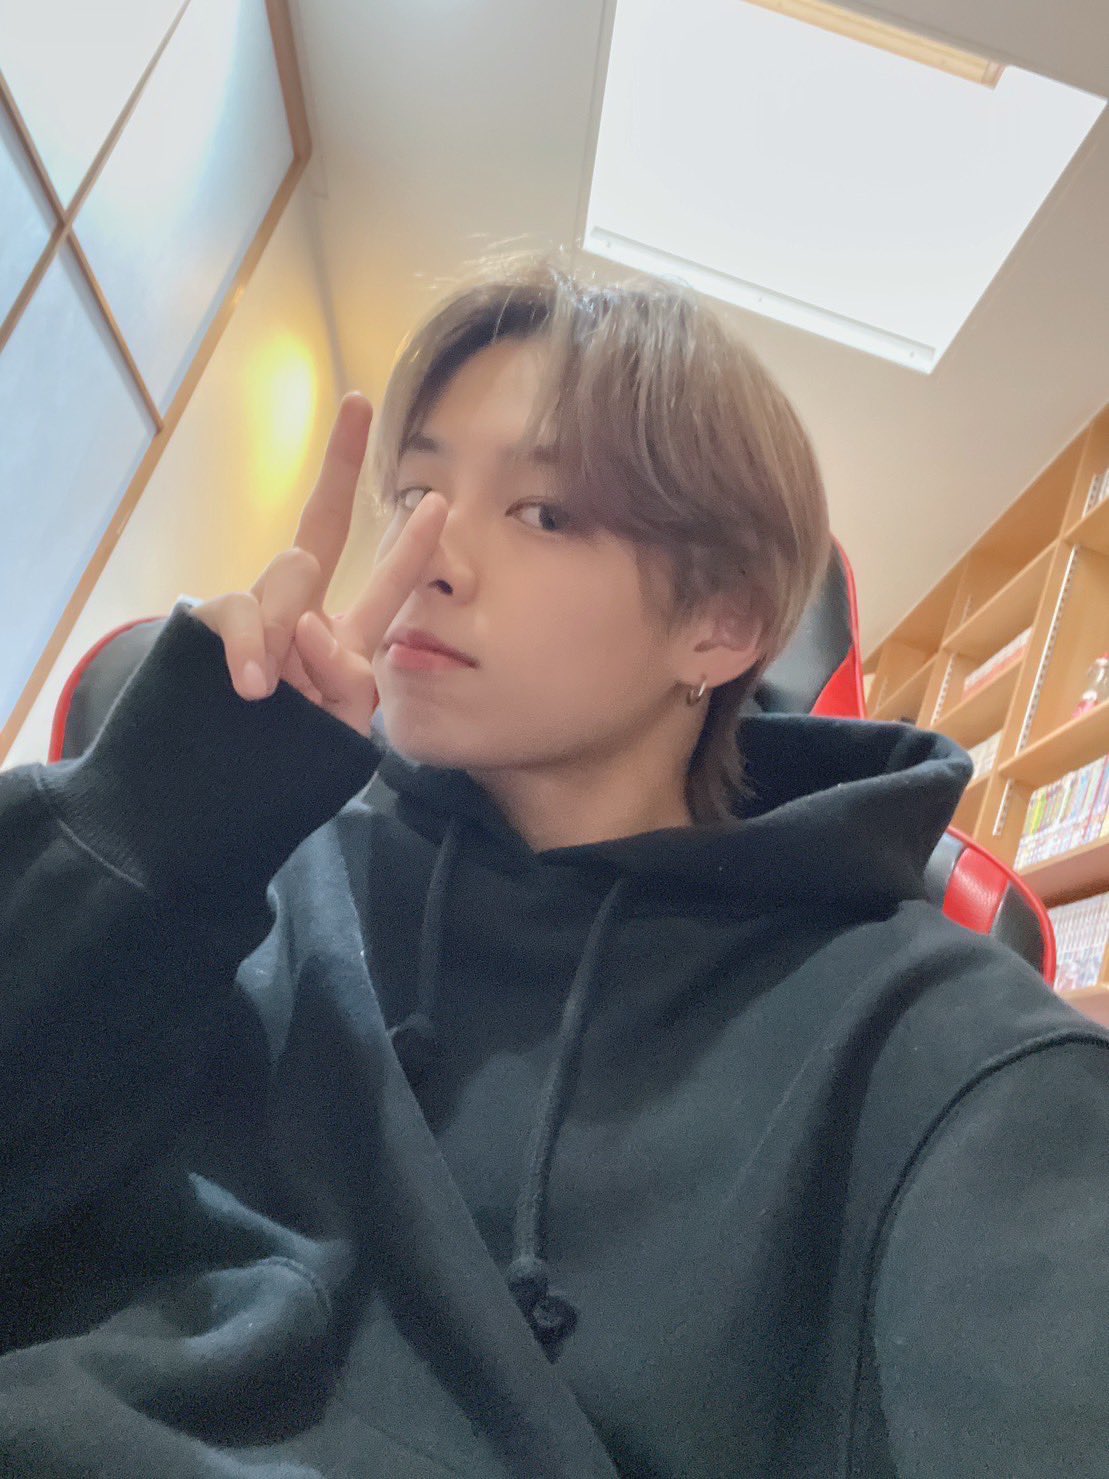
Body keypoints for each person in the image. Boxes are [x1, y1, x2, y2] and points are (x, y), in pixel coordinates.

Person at [2, 256, 1107, 1478]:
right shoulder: (247, 853)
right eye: (416, 491)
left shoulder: (929, 1045)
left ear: (722, 625)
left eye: (542, 513)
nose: (429, 556)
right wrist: (154, 826)